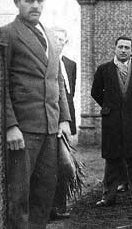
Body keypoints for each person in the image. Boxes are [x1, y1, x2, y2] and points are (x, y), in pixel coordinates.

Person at [2, 0, 71, 229]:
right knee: (18, 195)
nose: (35, 5)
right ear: (17, 2)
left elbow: (57, 80)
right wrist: (10, 125)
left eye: (40, 0)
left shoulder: (49, 36)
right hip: (23, 129)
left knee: (44, 193)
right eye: (29, 0)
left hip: (50, 129)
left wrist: (63, 118)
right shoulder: (8, 33)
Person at [91, 36, 132, 206]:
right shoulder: (104, 69)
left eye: (127, 47)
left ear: (131, 50)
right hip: (112, 120)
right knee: (112, 158)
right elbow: (95, 92)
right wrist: (109, 106)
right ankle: (108, 197)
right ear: (115, 48)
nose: (124, 50)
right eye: (121, 47)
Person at [50, 27, 77, 220]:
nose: (59, 42)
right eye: (56, 38)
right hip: (47, 123)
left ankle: (60, 203)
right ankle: (50, 207)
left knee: (66, 165)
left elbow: (69, 94)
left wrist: (67, 121)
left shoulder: (70, 64)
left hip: (64, 123)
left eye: (62, 40)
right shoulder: (44, 61)